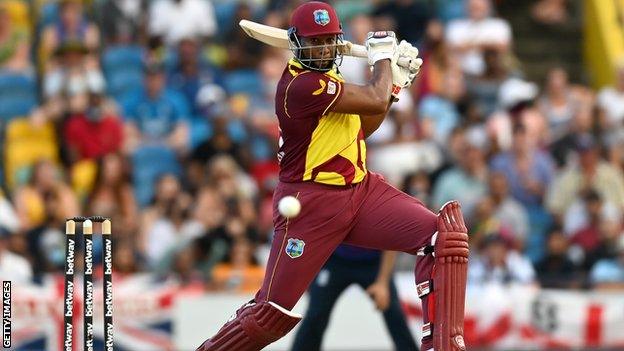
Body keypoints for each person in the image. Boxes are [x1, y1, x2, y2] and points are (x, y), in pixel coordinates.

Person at [196, 3, 469, 351]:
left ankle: (445, 345)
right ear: (296, 44)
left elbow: (363, 126)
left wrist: (393, 86)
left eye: (329, 41)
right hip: (311, 203)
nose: (324, 49)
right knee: (270, 314)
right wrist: (383, 61)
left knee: (444, 237)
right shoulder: (300, 85)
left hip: (361, 190)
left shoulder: (330, 79)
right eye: (315, 42)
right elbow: (372, 95)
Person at [290, 246, 419, 351]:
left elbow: (392, 239)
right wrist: (308, 271)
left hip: (374, 263)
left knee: (394, 313)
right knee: (316, 313)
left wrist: (383, 282)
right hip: (333, 260)